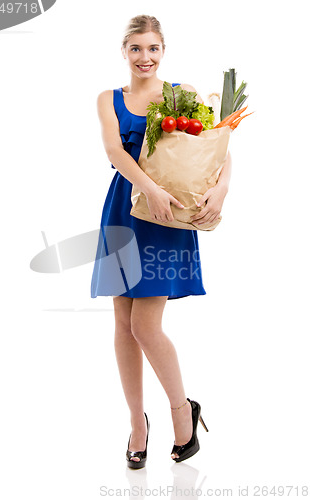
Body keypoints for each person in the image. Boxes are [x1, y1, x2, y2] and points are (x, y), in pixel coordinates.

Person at [90, 14, 231, 468]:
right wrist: (147, 186)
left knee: (145, 325)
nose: (144, 57)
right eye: (136, 49)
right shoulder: (109, 99)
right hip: (125, 209)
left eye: (152, 49)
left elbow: (217, 148)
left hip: (166, 217)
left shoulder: (181, 96)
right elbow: (114, 152)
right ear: (125, 52)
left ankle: (181, 411)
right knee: (123, 323)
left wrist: (221, 189)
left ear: (162, 50)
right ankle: (136, 424)